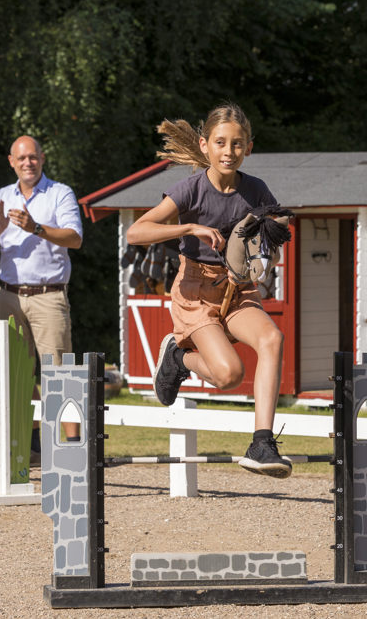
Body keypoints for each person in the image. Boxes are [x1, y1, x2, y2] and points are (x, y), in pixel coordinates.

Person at [126, 103, 292, 478]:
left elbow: (270, 246)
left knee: (272, 339)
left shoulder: (256, 190)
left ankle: (262, 443)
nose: (228, 151)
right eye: (221, 143)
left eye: (237, 144)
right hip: (196, 290)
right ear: (205, 146)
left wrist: (263, 258)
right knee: (229, 375)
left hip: (239, 289)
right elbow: (135, 233)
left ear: (248, 147)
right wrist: (187, 229)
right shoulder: (190, 189)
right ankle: (178, 359)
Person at [0, 136, 83, 463]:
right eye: (22, 158)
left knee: (60, 375)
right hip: (9, 296)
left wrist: (36, 228)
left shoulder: (60, 193)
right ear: (11, 161)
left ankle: (73, 451)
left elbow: (75, 238)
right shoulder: (2, 196)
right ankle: (32, 447)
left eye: (33, 157)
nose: (28, 163)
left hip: (48, 297)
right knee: (14, 376)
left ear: (42, 158)